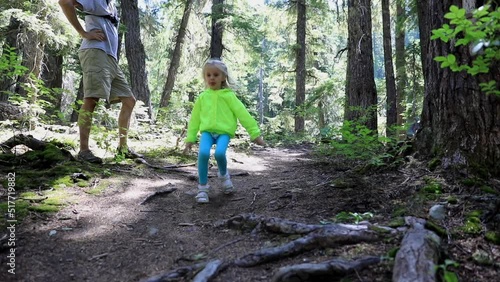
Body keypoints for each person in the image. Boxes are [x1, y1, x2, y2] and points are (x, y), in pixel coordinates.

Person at [59, 0, 142, 163]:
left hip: (110, 58)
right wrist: (83, 33)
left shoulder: (111, 6)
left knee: (129, 101)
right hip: (96, 52)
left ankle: (122, 149)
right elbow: (64, 2)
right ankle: (84, 151)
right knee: (91, 99)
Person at [184, 58, 265, 204]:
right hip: (207, 132)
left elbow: (243, 114)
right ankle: (202, 189)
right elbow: (195, 119)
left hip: (223, 133)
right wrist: (190, 138)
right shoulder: (202, 97)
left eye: (216, 75)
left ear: (223, 77)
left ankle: (224, 177)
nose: (212, 78)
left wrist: (255, 134)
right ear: (205, 77)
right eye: (208, 75)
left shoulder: (229, 96)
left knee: (220, 153)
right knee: (203, 154)